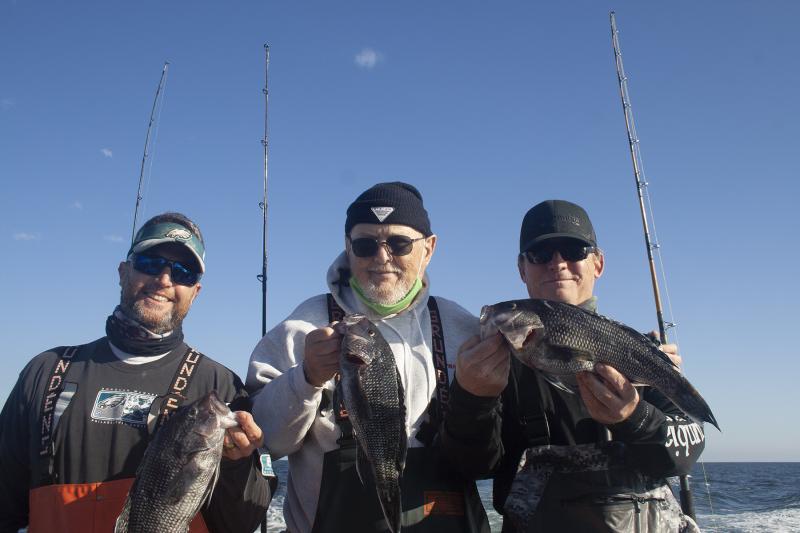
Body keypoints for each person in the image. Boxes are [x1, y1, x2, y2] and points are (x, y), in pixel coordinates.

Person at [0, 212, 273, 533]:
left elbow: (242, 523)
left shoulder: (220, 384)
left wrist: (235, 464)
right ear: (123, 271)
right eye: (150, 263)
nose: (165, 280)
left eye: (183, 273)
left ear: (195, 291)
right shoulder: (45, 372)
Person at [441, 199, 705, 532]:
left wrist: (635, 418)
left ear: (598, 264)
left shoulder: (640, 350)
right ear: (522, 268)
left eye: (573, 251)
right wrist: (473, 398)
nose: (558, 264)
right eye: (540, 255)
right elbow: (468, 466)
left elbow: (687, 451)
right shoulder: (491, 362)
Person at [247, 182, 491, 533]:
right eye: (365, 245)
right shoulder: (302, 325)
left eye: (399, 243)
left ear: (429, 249)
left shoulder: (465, 330)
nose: (382, 257)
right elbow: (266, 439)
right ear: (348, 248)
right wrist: (306, 378)